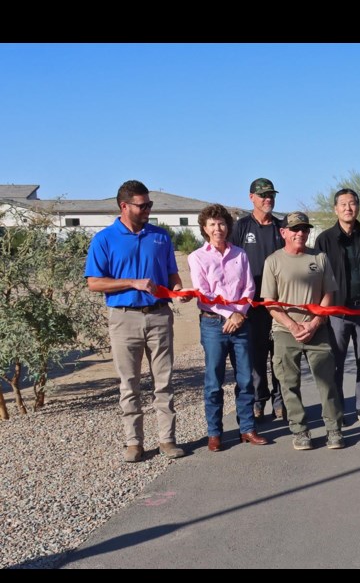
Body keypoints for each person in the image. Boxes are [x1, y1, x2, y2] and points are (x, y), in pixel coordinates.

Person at [85, 180, 190, 463]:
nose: (147, 210)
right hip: (123, 319)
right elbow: (94, 283)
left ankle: (167, 440)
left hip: (159, 315)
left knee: (164, 381)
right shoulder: (104, 239)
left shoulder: (161, 237)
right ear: (124, 206)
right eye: (142, 206)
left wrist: (179, 291)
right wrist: (132, 283)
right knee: (129, 383)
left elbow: (172, 275)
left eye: (149, 205)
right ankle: (134, 442)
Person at [188, 204, 268, 452]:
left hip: (241, 323)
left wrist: (239, 314)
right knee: (214, 382)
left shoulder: (240, 255)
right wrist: (228, 314)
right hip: (213, 324)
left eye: (221, 223)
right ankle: (215, 433)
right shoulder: (197, 258)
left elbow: (249, 289)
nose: (217, 228)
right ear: (204, 228)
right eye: (212, 224)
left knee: (245, 379)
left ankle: (247, 428)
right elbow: (204, 294)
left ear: (228, 227)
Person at [262, 212, 344, 450]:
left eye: (305, 229)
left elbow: (329, 293)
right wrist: (292, 325)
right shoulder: (273, 261)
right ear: (284, 232)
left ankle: (334, 429)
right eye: (295, 229)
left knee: (326, 382)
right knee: (289, 384)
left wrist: (314, 322)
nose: (301, 233)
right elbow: (269, 301)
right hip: (285, 332)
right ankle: (300, 431)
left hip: (317, 330)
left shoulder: (319, 258)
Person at [315, 189, 360, 425]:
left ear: (358, 207)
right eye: (343, 204)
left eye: (352, 203)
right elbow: (318, 277)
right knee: (335, 364)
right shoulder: (324, 239)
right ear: (335, 209)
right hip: (337, 312)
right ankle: (337, 410)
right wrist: (321, 310)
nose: (348, 208)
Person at [229, 178, 285, 422]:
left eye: (271, 194)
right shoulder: (241, 227)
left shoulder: (282, 227)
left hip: (279, 304)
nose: (267, 199)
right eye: (262, 195)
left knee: (281, 356)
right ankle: (258, 401)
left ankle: (281, 401)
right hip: (251, 305)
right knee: (256, 357)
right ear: (251, 197)